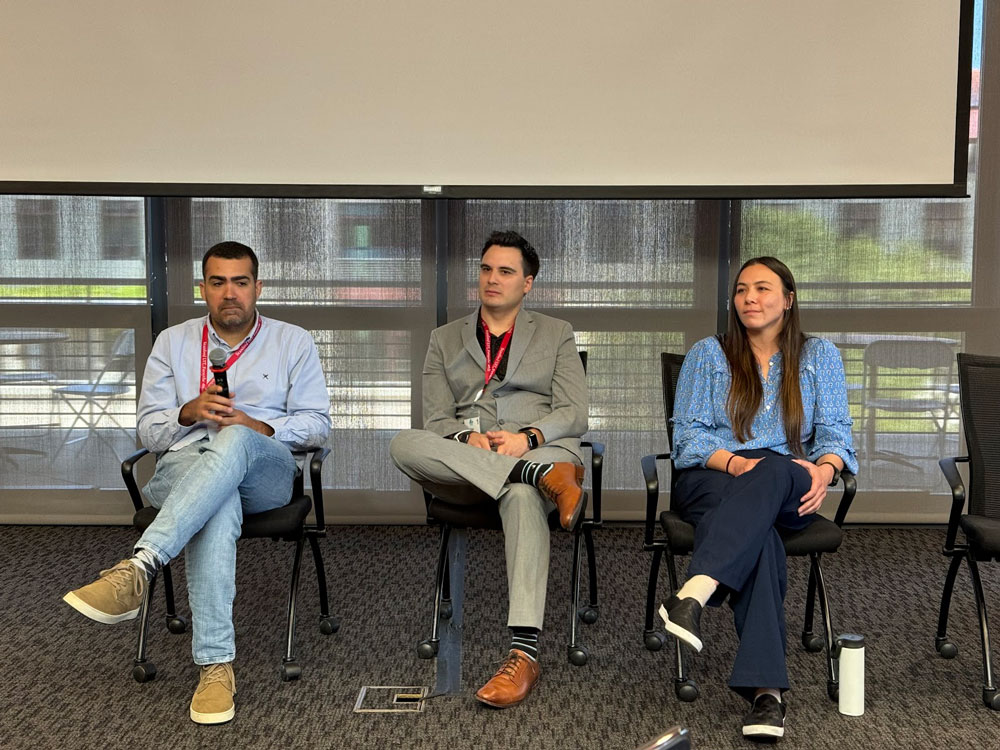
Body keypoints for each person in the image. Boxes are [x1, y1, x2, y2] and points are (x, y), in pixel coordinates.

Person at [63, 241, 331, 726]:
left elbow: (317, 425)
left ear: (258, 287)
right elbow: (148, 431)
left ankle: (140, 567)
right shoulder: (173, 342)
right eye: (218, 282)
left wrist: (257, 427)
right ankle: (215, 666)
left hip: (264, 472)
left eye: (241, 282)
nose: (230, 293)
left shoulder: (293, 341)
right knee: (217, 503)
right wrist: (187, 412)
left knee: (232, 444)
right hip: (184, 470)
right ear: (203, 289)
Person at [659, 256, 857, 742]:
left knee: (779, 469)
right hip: (715, 476)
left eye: (764, 289)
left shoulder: (820, 357)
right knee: (762, 538)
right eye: (742, 289)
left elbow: (836, 434)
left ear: (788, 300)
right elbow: (686, 440)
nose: (750, 297)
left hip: (792, 481)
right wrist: (738, 463)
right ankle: (767, 693)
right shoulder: (709, 354)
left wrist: (826, 469)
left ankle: (696, 592)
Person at [390, 230, 588, 708]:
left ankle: (523, 653)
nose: (492, 279)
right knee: (402, 443)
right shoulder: (444, 339)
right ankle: (537, 479)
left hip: (537, 448)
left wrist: (528, 439)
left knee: (520, 497)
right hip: (467, 466)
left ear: (528, 283)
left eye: (505, 272)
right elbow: (435, 419)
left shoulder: (556, 333)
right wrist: (466, 439)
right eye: (486, 269)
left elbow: (574, 412)